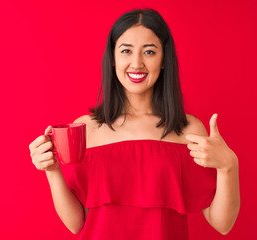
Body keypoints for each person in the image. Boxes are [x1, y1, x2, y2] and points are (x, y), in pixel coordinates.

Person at [29, 8, 240, 240]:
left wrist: (229, 166)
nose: (137, 63)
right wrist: (52, 170)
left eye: (149, 51)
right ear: (112, 58)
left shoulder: (189, 131)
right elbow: (76, 223)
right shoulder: (85, 129)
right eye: (126, 51)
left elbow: (223, 224)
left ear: (163, 61)